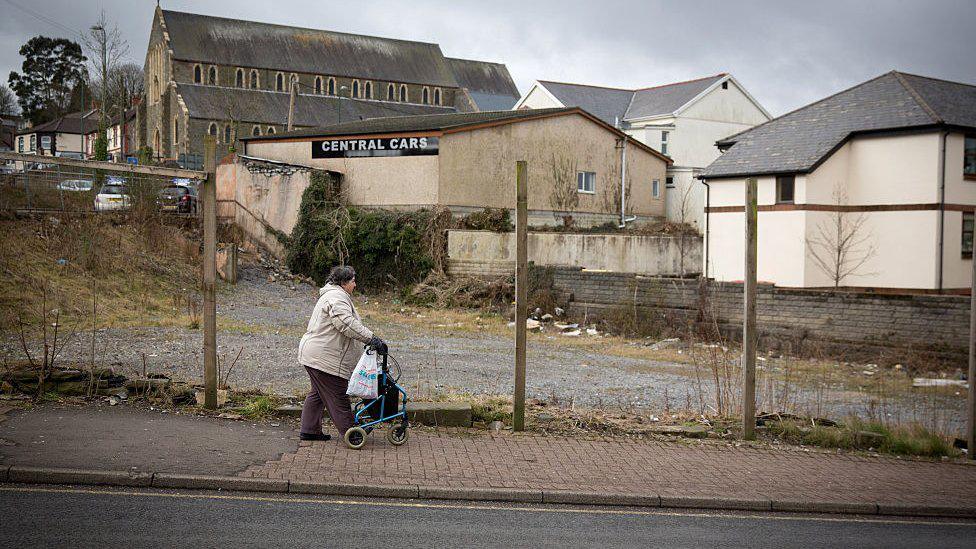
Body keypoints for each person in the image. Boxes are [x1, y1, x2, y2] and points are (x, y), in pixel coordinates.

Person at [297, 265, 384, 441]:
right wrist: (371, 338)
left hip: (314, 354)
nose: (355, 284)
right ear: (344, 282)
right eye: (353, 281)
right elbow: (346, 323)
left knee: (318, 393)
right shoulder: (336, 297)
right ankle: (351, 433)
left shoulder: (335, 295)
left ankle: (309, 429)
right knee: (338, 395)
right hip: (324, 357)